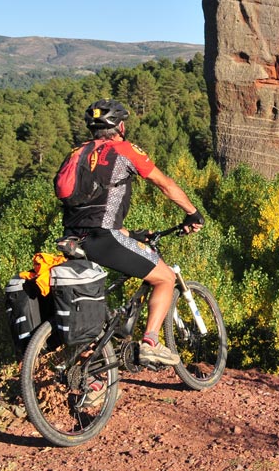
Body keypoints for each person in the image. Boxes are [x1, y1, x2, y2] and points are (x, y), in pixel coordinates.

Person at [56, 99, 206, 380]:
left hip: (74, 238)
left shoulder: (76, 154)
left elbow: (91, 208)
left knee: (91, 304)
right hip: (104, 237)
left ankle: (88, 377)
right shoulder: (124, 150)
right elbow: (165, 184)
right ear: (120, 126)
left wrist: (130, 234)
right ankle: (150, 342)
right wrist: (192, 213)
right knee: (164, 278)